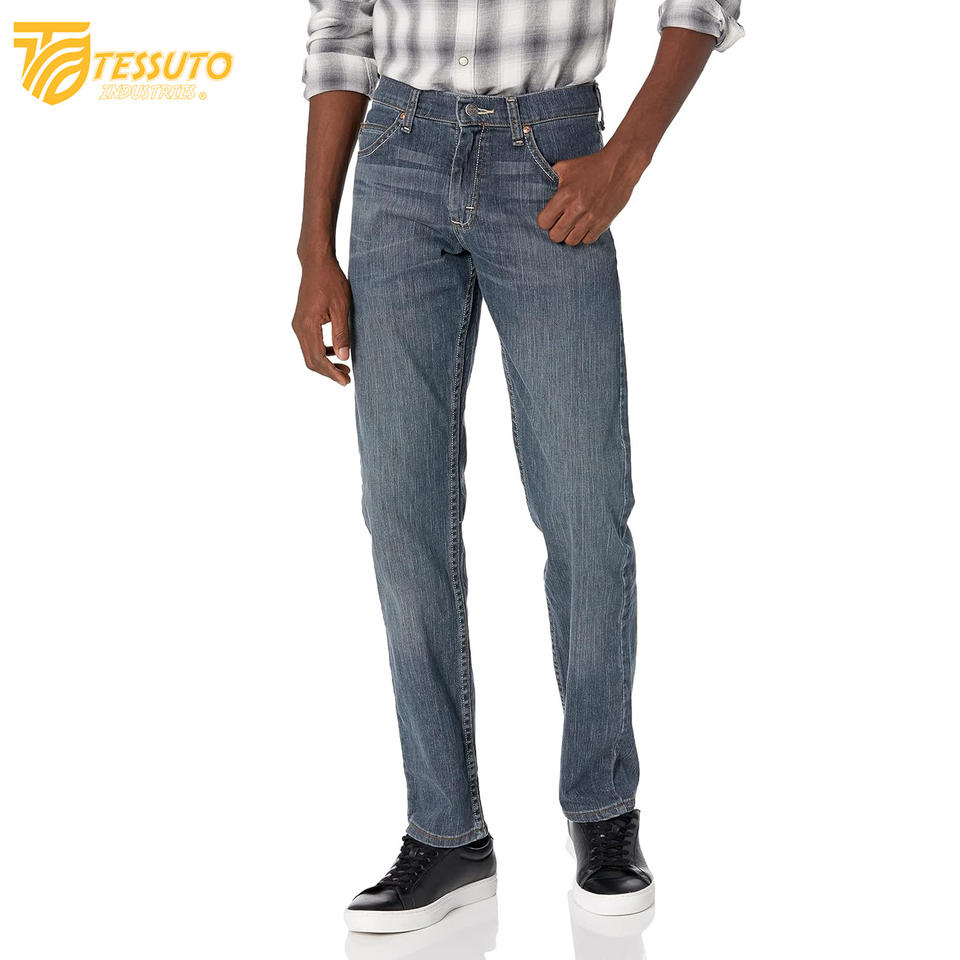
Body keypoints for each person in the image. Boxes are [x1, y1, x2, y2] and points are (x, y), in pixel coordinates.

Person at [292, 0, 743, 934]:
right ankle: (445, 832)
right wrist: (313, 248)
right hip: (397, 157)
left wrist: (628, 156)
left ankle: (603, 811)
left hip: (552, 152)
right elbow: (340, 31)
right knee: (403, 515)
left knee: (585, 506)